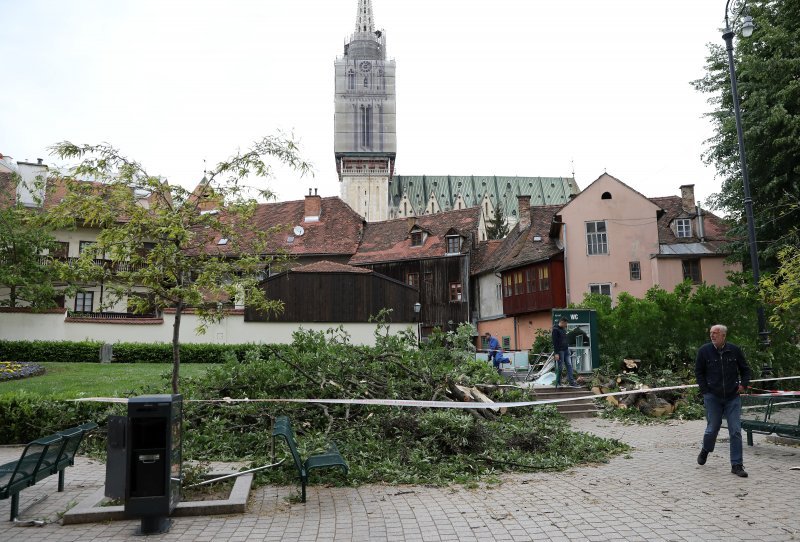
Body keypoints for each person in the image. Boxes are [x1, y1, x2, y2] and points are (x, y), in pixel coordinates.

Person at [695, 324, 752, 478]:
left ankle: (737, 465)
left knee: (735, 430)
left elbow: (745, 370)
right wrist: (705, 390)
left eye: (716, 333)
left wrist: (743, 385)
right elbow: (699, 372)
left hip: (732, 397)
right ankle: (706, 449)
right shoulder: (704, 351)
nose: (712, 335)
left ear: (723, 335)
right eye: (711, 333)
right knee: (713, 428)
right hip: (713, 396)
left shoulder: (734, 350)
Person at [552, 317, 579, 388]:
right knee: (560, 367)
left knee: (569, 365)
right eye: (566, 324)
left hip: (566, 350)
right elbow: (555, 342)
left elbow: (565, 340)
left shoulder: (563, 330)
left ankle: (571, 382)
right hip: (560, 351)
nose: (566, 325)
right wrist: (556, 353)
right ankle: (558, 382)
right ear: (562, 322)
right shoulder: (555, 330)